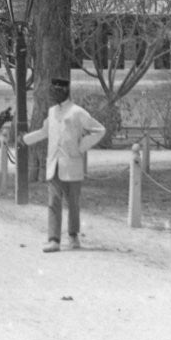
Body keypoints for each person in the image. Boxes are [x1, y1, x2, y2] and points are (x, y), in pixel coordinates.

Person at [21, 76, 106, 253]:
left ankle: (73, 236)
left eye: (58, 89)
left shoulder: (77, 112)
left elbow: (99, 130)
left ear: (65, 91)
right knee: (53, 201)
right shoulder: (52, 112)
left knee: (73, 203)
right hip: (53, 165)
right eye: (53, 89)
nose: (54, 93)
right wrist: (25, 140)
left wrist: (81, 146)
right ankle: (54, 240)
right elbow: (45, 131)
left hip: (72, 165)